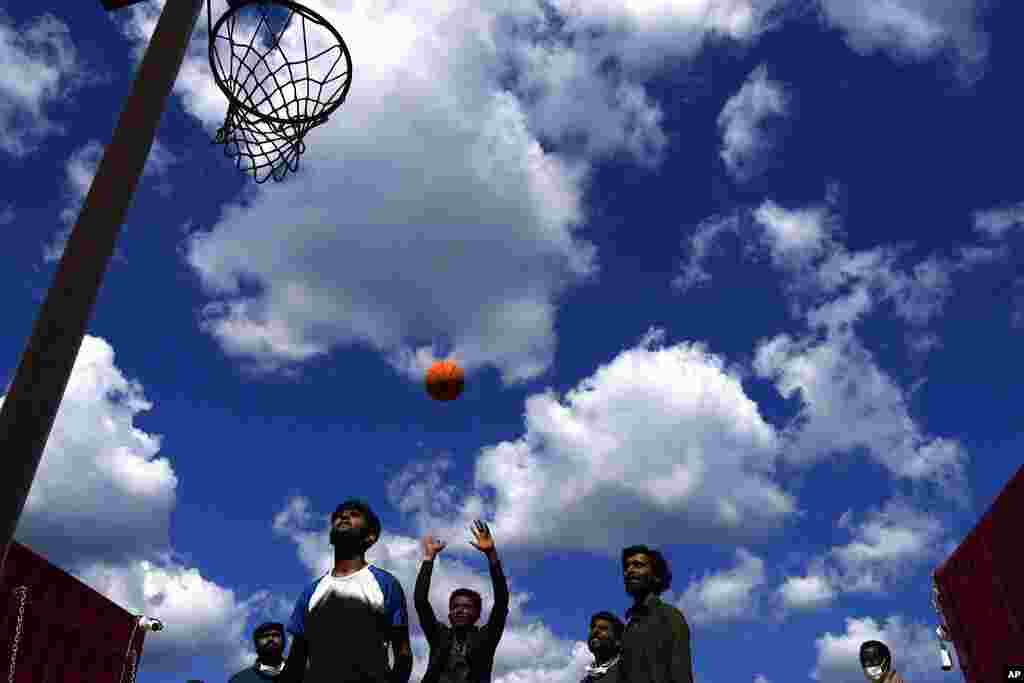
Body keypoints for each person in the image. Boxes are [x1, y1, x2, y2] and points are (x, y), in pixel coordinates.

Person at [280, 499, 413, 683]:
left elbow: (403, 653)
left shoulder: (386, 584)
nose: (343, 516)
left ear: (370, 537)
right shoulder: (311, 592)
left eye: (354, 515)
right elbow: (296, 661)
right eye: (339, 515)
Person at [415, 520, 510, 683]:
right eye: (455, 607)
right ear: (450, 613)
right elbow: (420, 601)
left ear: (477, 614)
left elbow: (501, 602)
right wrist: (429, 558)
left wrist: (491, 554)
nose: (459, 610)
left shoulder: (486, 638)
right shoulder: (439, 636)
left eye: (466, 607)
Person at [618, 545, 693, 683]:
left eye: (638, 565)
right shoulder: (628, 628)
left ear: (656, 576)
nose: (629, 570)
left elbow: (682, 675)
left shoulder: (670, 617)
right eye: (626, 566)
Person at [582, 611, 624, 683]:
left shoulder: (626, 670)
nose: (595, 631)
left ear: (618, 640)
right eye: (592, 627)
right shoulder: (586, 680)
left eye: (603, 628)